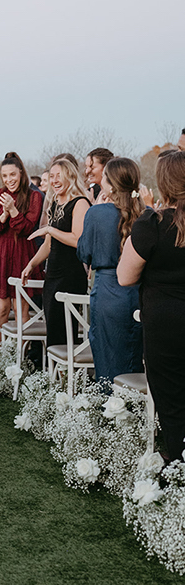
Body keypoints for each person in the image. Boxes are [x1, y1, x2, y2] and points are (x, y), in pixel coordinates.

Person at [118, 150, 185, 462]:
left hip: (165, 325)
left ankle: (177, 468)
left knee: (171, 403)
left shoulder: (153, 223)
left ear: (164, 183)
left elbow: (125, 276)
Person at [77, 158, 144, 384]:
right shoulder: (148, 213)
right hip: (140, 294)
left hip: (107, 293)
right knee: (136, 354)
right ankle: (136, 407)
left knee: (107, 356)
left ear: (111, 184)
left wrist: (94, 209)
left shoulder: (97, 214)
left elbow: (84, 253)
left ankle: (110, 406)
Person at [21, 159, 90, 348]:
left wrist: (50, 230)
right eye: (51, 176)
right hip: (53, 275)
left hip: (71, 275)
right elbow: (49, 246)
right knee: (53, 327)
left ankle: (68, 374)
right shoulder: (54, 204)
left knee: (65, 329)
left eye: (59, 175)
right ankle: (56, 374)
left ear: (71, 176)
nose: (54, 180)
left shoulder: (80, 203)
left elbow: (78, 240)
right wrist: (32, 264)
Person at [0, 152, 43, 345]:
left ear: (21, 173)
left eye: (12, 174)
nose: (9, 179)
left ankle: (21, 358)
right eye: (5, 176)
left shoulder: (34, 196)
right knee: (1, 309)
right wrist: (4, 214)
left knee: (21, 309)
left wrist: (13, 210)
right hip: (1, 255)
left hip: (23, 254)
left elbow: (27, 228)